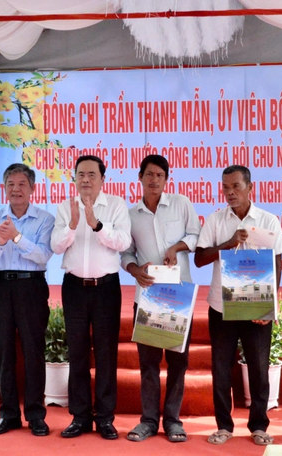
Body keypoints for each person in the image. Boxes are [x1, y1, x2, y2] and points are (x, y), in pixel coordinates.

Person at [194, 165, 282, 447]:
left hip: (256, 308)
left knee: (259, 368)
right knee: (221, 369)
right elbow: (199, 259)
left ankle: (259, 425)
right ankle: (224, 426)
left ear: (250, 188)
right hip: (221, 307)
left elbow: (278, 262)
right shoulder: (215, 221)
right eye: (225, 187)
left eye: (236, 186)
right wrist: (229, 242)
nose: (230, 192)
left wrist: (267, 306)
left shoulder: (269, 220)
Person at [50, 155, 131, 440]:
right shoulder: (65, 207)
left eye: (91, 175)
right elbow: (56, 246)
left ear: (102, 179)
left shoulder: (117, 205)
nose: (85, 179)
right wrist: (73, 224)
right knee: (78, 352)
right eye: (80, 174)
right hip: (74, 287)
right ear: (74, 178)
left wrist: (96, 224)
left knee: (107, 353)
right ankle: (80, 416)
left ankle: (106, 418)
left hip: (106, 288)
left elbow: (124, 242)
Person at [120, 155, 200, 443]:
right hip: (148, 297)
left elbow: (195, 235)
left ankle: (174, 421)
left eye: (160, 175)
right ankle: (149, 421)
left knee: (178, 362)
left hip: (179, 296)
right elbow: (126, 253)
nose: (154, 180)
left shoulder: (181, 204)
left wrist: (176, 247)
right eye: (149, 174)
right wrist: (134, 270)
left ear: (167, 179)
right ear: (140, 177)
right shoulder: (130, 215)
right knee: (149, 363)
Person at [0, 163, 54, 437]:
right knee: (4, 351)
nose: (16, 189)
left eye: (22, 183)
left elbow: (43, 256)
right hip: (0, 287)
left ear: (32, 189)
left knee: (34, 350)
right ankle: (9, 414)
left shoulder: (45, 219)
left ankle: (36, 414)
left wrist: (17, 237)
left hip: (31, 287)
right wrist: (1, 243)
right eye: (11, 184)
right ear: (4, 188)